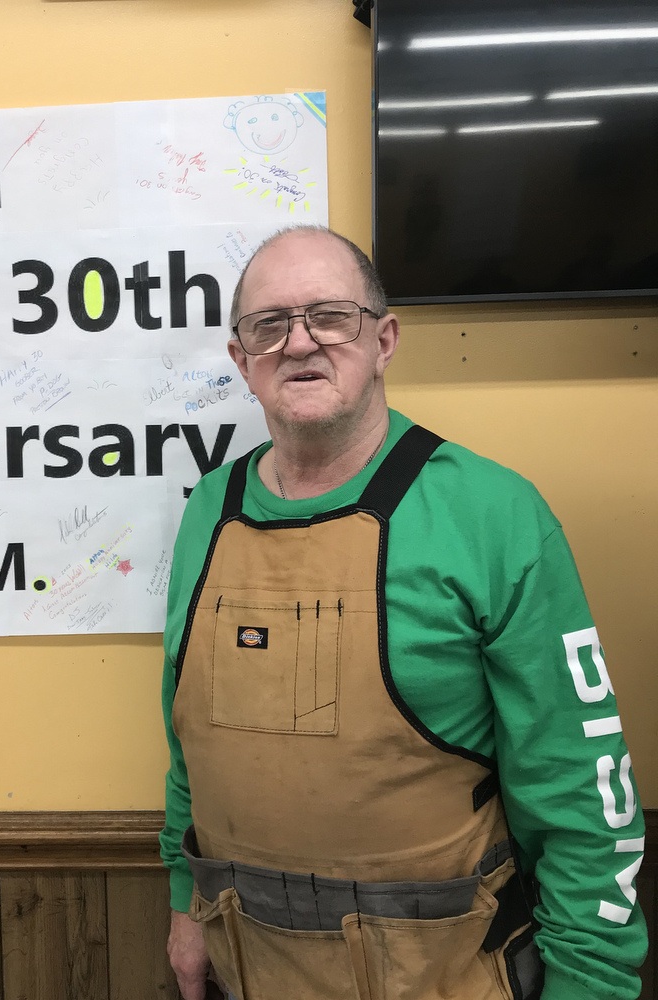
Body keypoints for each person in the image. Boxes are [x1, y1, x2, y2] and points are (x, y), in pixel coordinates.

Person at [159, 225, 647, 1000]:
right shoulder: (207, 514)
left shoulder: (494, 514)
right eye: (269, 324)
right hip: (243, 974)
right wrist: (186, 909)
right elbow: (190, 748)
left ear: (383, 339)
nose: (299, 342)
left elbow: (582, 796)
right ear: (240, 359)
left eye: (331, 316)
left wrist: (591, 985)